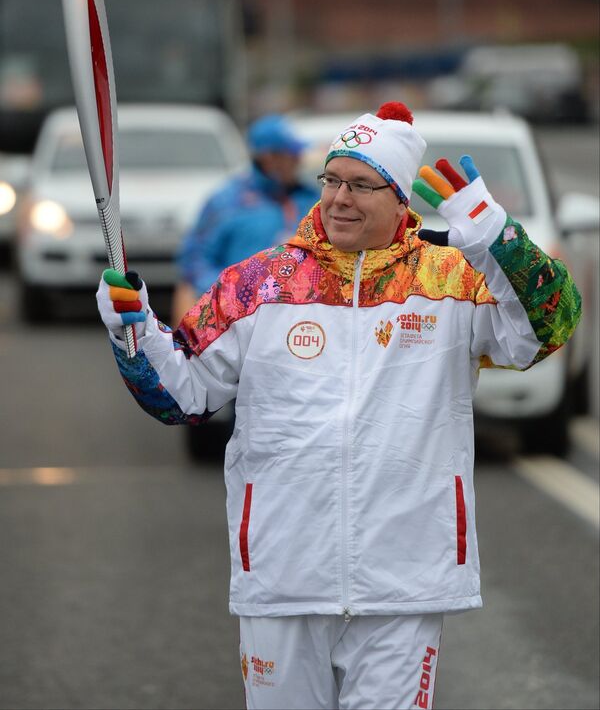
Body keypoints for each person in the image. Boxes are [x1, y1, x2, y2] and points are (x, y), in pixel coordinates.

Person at [97, 102, 581, 710]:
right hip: (282, 573)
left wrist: (497, 239)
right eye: (331, 180)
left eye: (360, 184)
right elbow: (181, 396)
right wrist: (133, 332)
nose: (339, 199)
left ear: (400, 198)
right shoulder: (259, 285)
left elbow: (551, 327)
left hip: (406, 581)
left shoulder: (452, 283)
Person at [171, 112, 319, 324]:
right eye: (292, 154)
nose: (299, 160)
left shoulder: (311, 200)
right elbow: (194, 261)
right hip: (235, 318)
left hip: (298, 316)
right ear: (269, 158)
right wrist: (234, 293)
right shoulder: (227, 202)